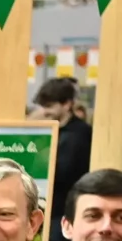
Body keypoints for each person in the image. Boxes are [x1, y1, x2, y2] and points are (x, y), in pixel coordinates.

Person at [36, 78, 94, 224]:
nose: (44, 112)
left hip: (64, 213)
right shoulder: (50, 130)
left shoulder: (79, 134)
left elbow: (62, 173)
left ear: (67, 104)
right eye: (42, 106)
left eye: (49, 106)